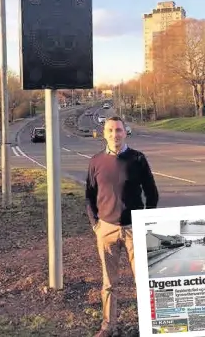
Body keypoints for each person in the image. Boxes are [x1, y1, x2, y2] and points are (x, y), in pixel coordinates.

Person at [86, 116, 159, 337]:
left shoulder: (137, 159)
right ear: (104, 133)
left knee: (144, 281)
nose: (114, 134)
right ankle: (109, 327)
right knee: (109, 283)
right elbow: (89, 196)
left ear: (125, 132)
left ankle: (149, 326)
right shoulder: (96, 161)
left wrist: (147, 221)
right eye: (110, 130)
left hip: (134, 229)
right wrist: (95, 224)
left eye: (118, 130)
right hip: (106, 229)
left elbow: (152, 193)